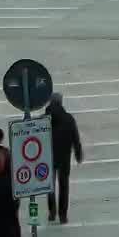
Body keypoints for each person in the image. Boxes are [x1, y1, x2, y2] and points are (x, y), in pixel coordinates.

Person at [45, 92, 84, 223]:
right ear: (61, 102)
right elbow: (75, 138)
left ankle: (52, 212)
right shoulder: (69, 119)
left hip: (48, 157)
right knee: (64, 185)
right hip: (64, 157)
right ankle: (62, 215)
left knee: (49, 186)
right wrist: (78, 153)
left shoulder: (44, 120)